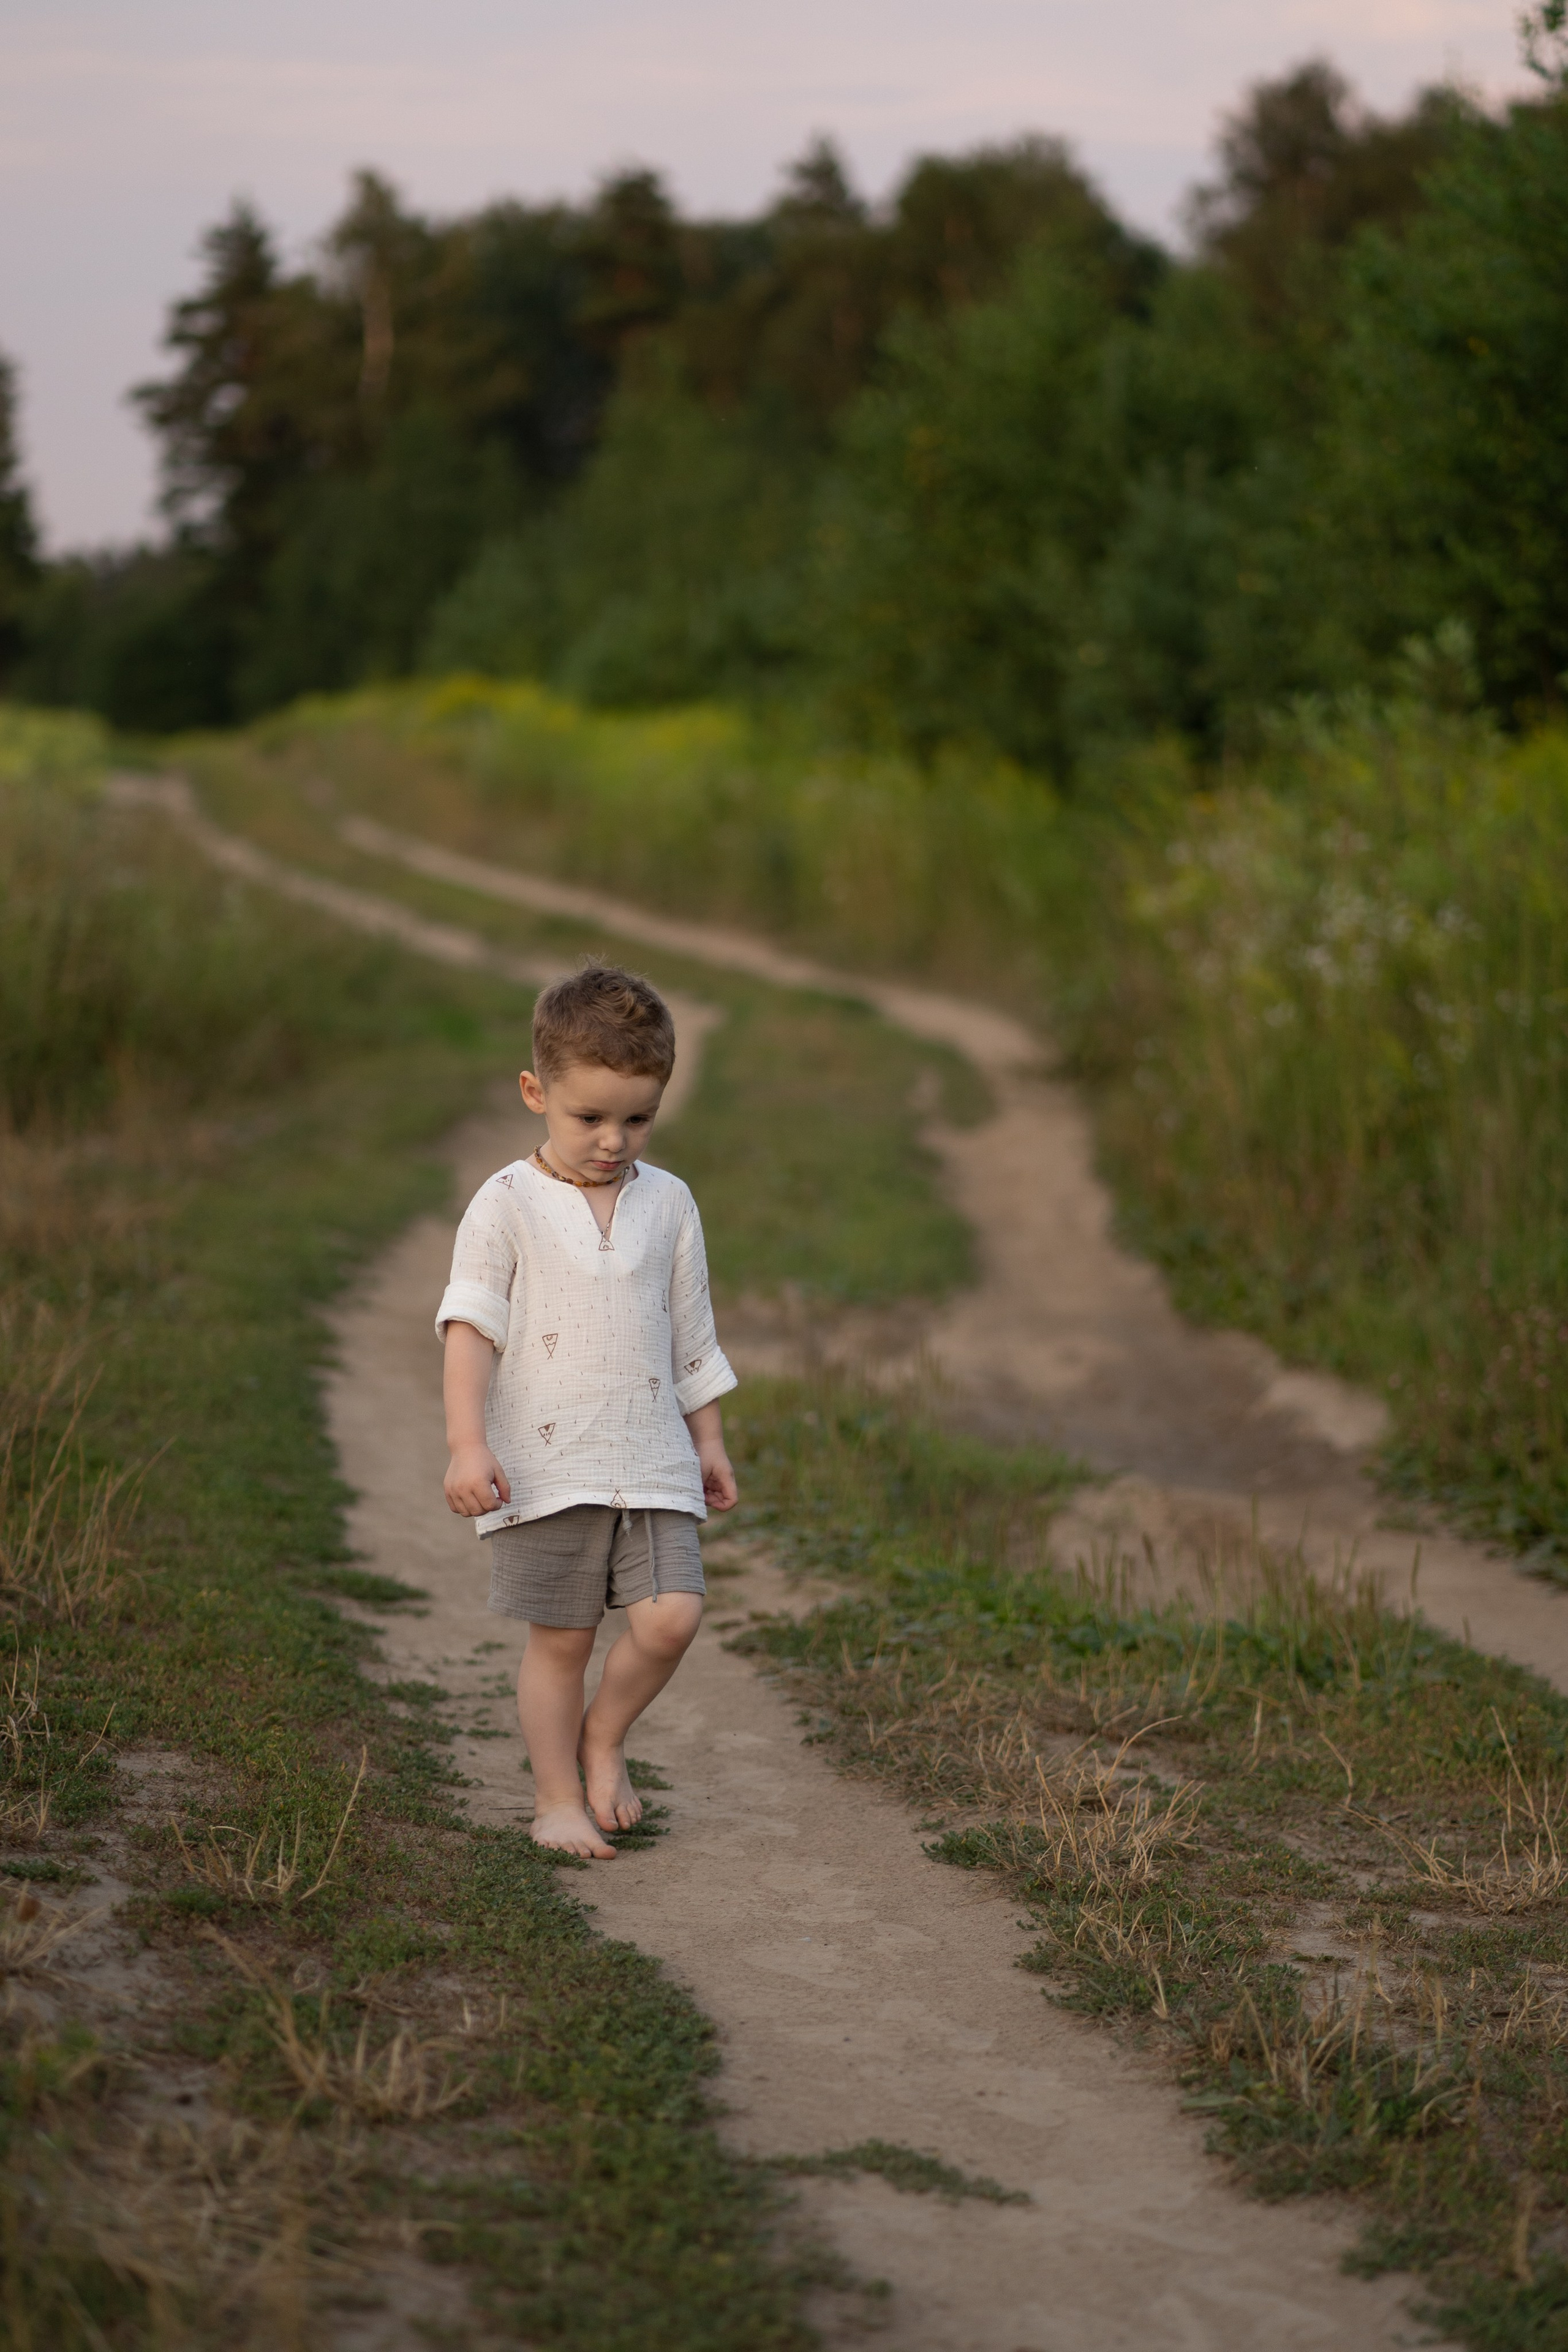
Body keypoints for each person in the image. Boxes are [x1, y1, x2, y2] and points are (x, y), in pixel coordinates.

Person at [436, 961, 737, 1860]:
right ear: (537, 1093)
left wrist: (709, 1441)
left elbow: (691, 1333)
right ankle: (556, 1799)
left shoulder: (670, 1202)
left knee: (671, 1618)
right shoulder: (506, 1203)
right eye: (590, 1118)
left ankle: (603, 1737)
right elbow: (470, 1330)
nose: (614, 1141)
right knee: (562, 1644)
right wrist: (467, 1445)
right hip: (546, 1464)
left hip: (653, 1457)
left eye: (638, 1119)